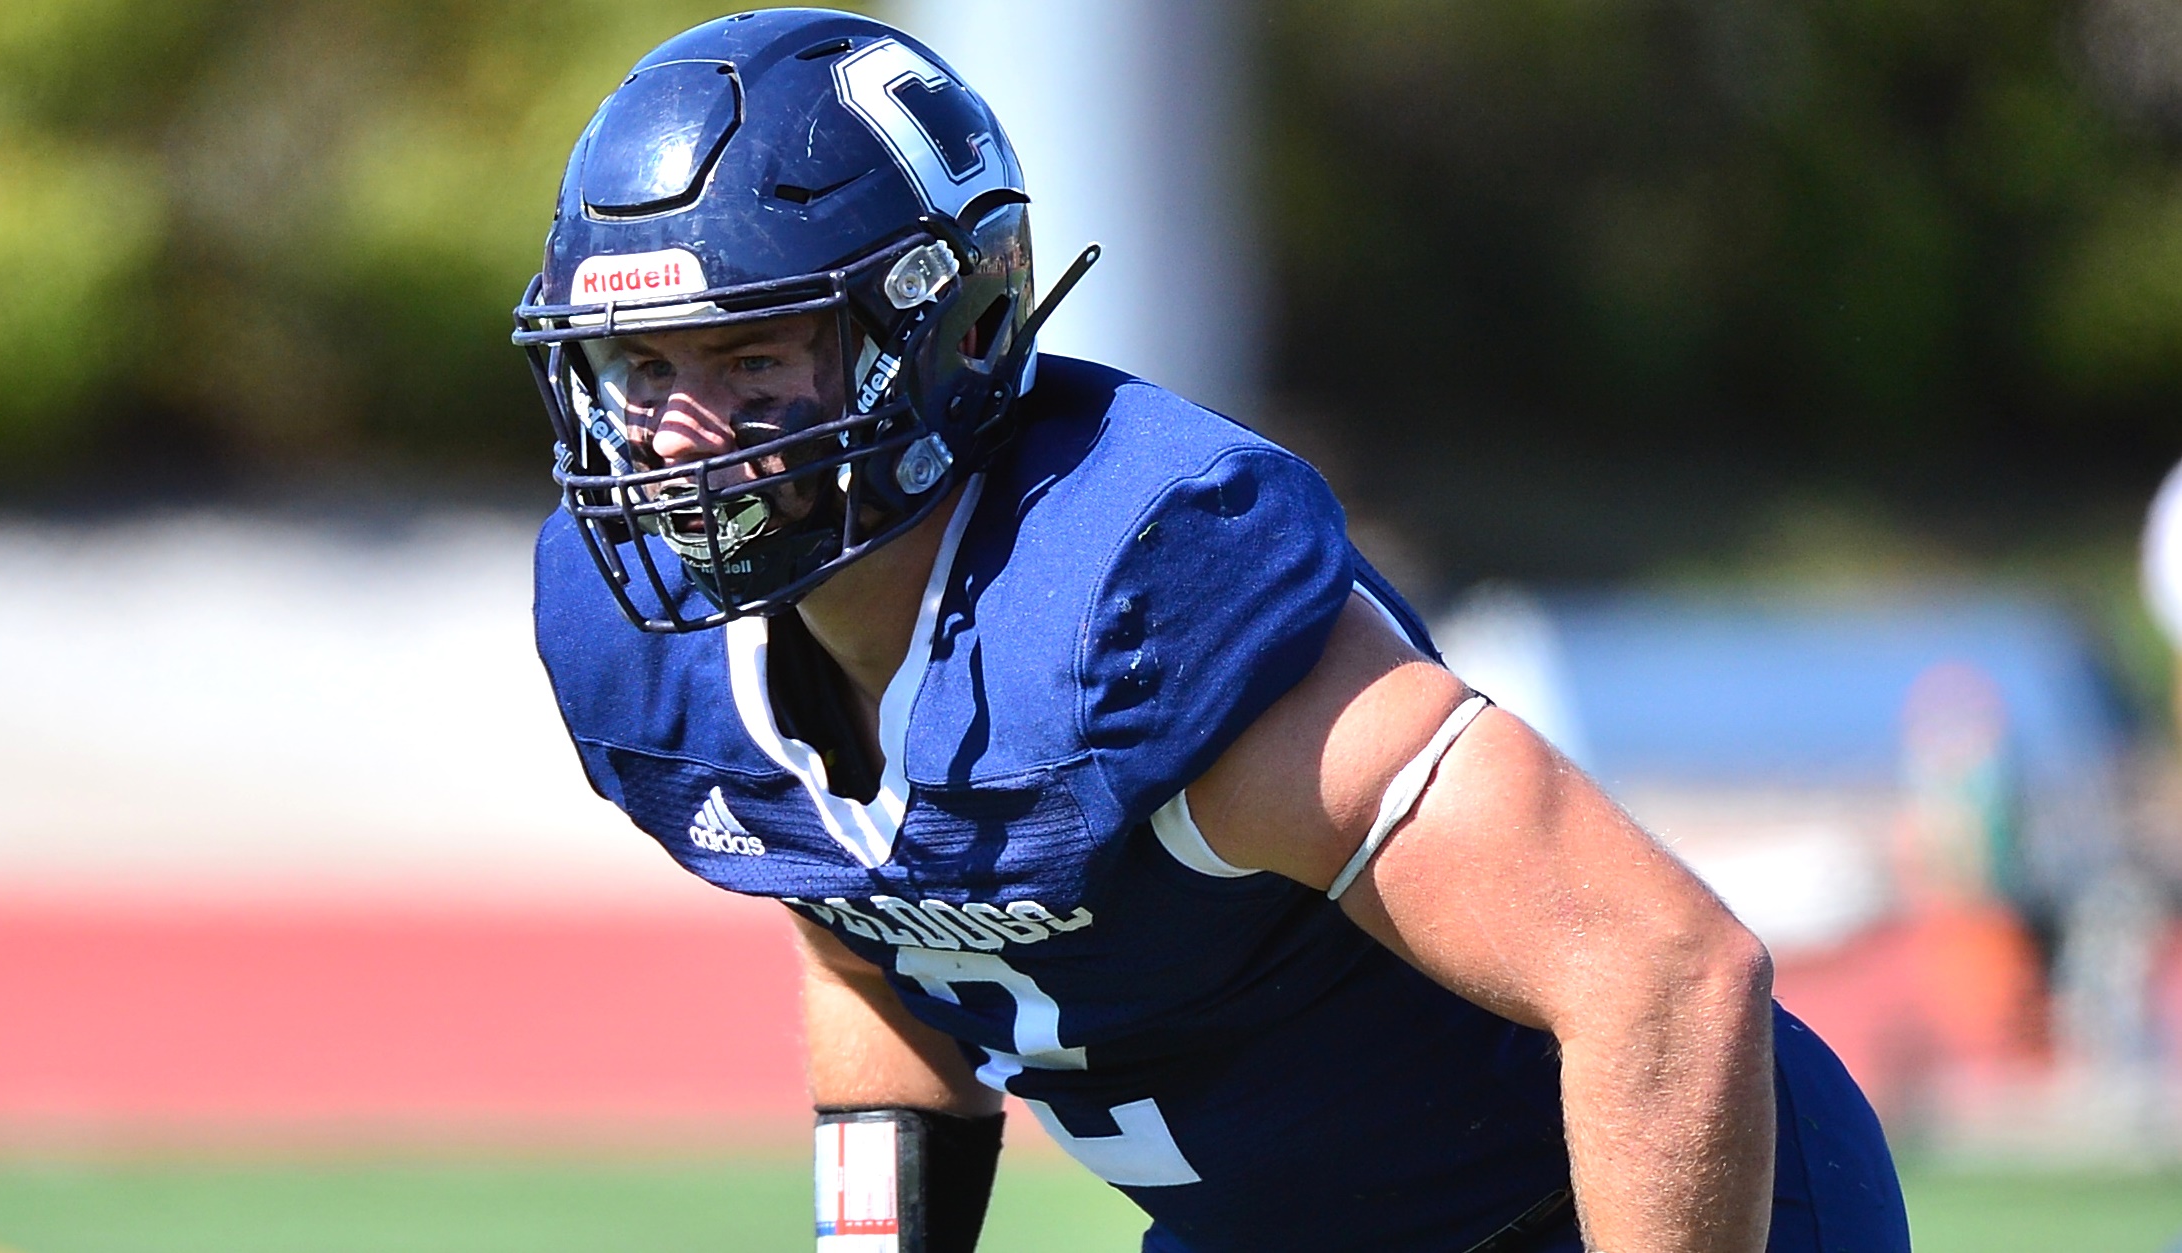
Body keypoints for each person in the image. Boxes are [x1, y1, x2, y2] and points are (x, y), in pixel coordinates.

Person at [514, 10, 1908, 1251]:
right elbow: (860, 928)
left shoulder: (1128, 603)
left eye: (752, 357)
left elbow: (1664, 971)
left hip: (1600, 1203)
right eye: (642, 367)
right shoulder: (657, 653)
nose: (677, 437)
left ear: (948, 332)